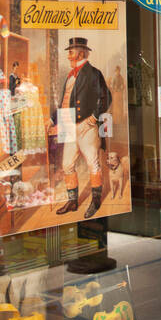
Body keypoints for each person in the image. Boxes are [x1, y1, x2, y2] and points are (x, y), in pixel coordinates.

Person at [48, 37, 112, 218]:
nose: (68, 54)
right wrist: (53, 120)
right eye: (68, 51)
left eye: (72, 51)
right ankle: (73, 201)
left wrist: (94, 117)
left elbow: (106, 97)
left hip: (86, 126)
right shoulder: (70, 75)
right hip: (69, 125)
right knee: (67, 164)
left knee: (93, 164)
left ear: (82, 53)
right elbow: (64, 102)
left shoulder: (93, 73)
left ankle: (96, 202)